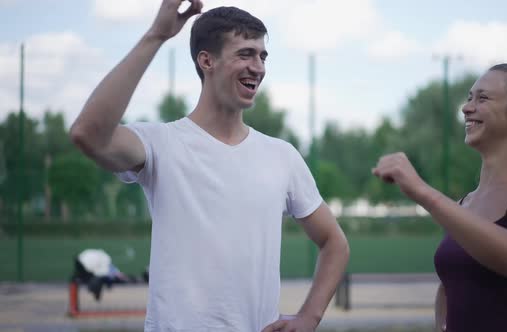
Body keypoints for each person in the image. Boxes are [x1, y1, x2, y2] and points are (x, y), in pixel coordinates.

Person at [69, 0, 349, 331]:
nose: (258, 66)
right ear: (207, 61)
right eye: (245, 54)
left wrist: (308, 317)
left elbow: (335, 242)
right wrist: (157, 35)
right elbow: (87, 134)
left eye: (262, 56)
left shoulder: (282, 155)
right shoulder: (161, 144)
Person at [372, 59, 507, 332]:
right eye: (469, 97)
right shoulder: (466, 203)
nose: (466, 107)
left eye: (483, 98)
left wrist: (423, 191)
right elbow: (452, 282)